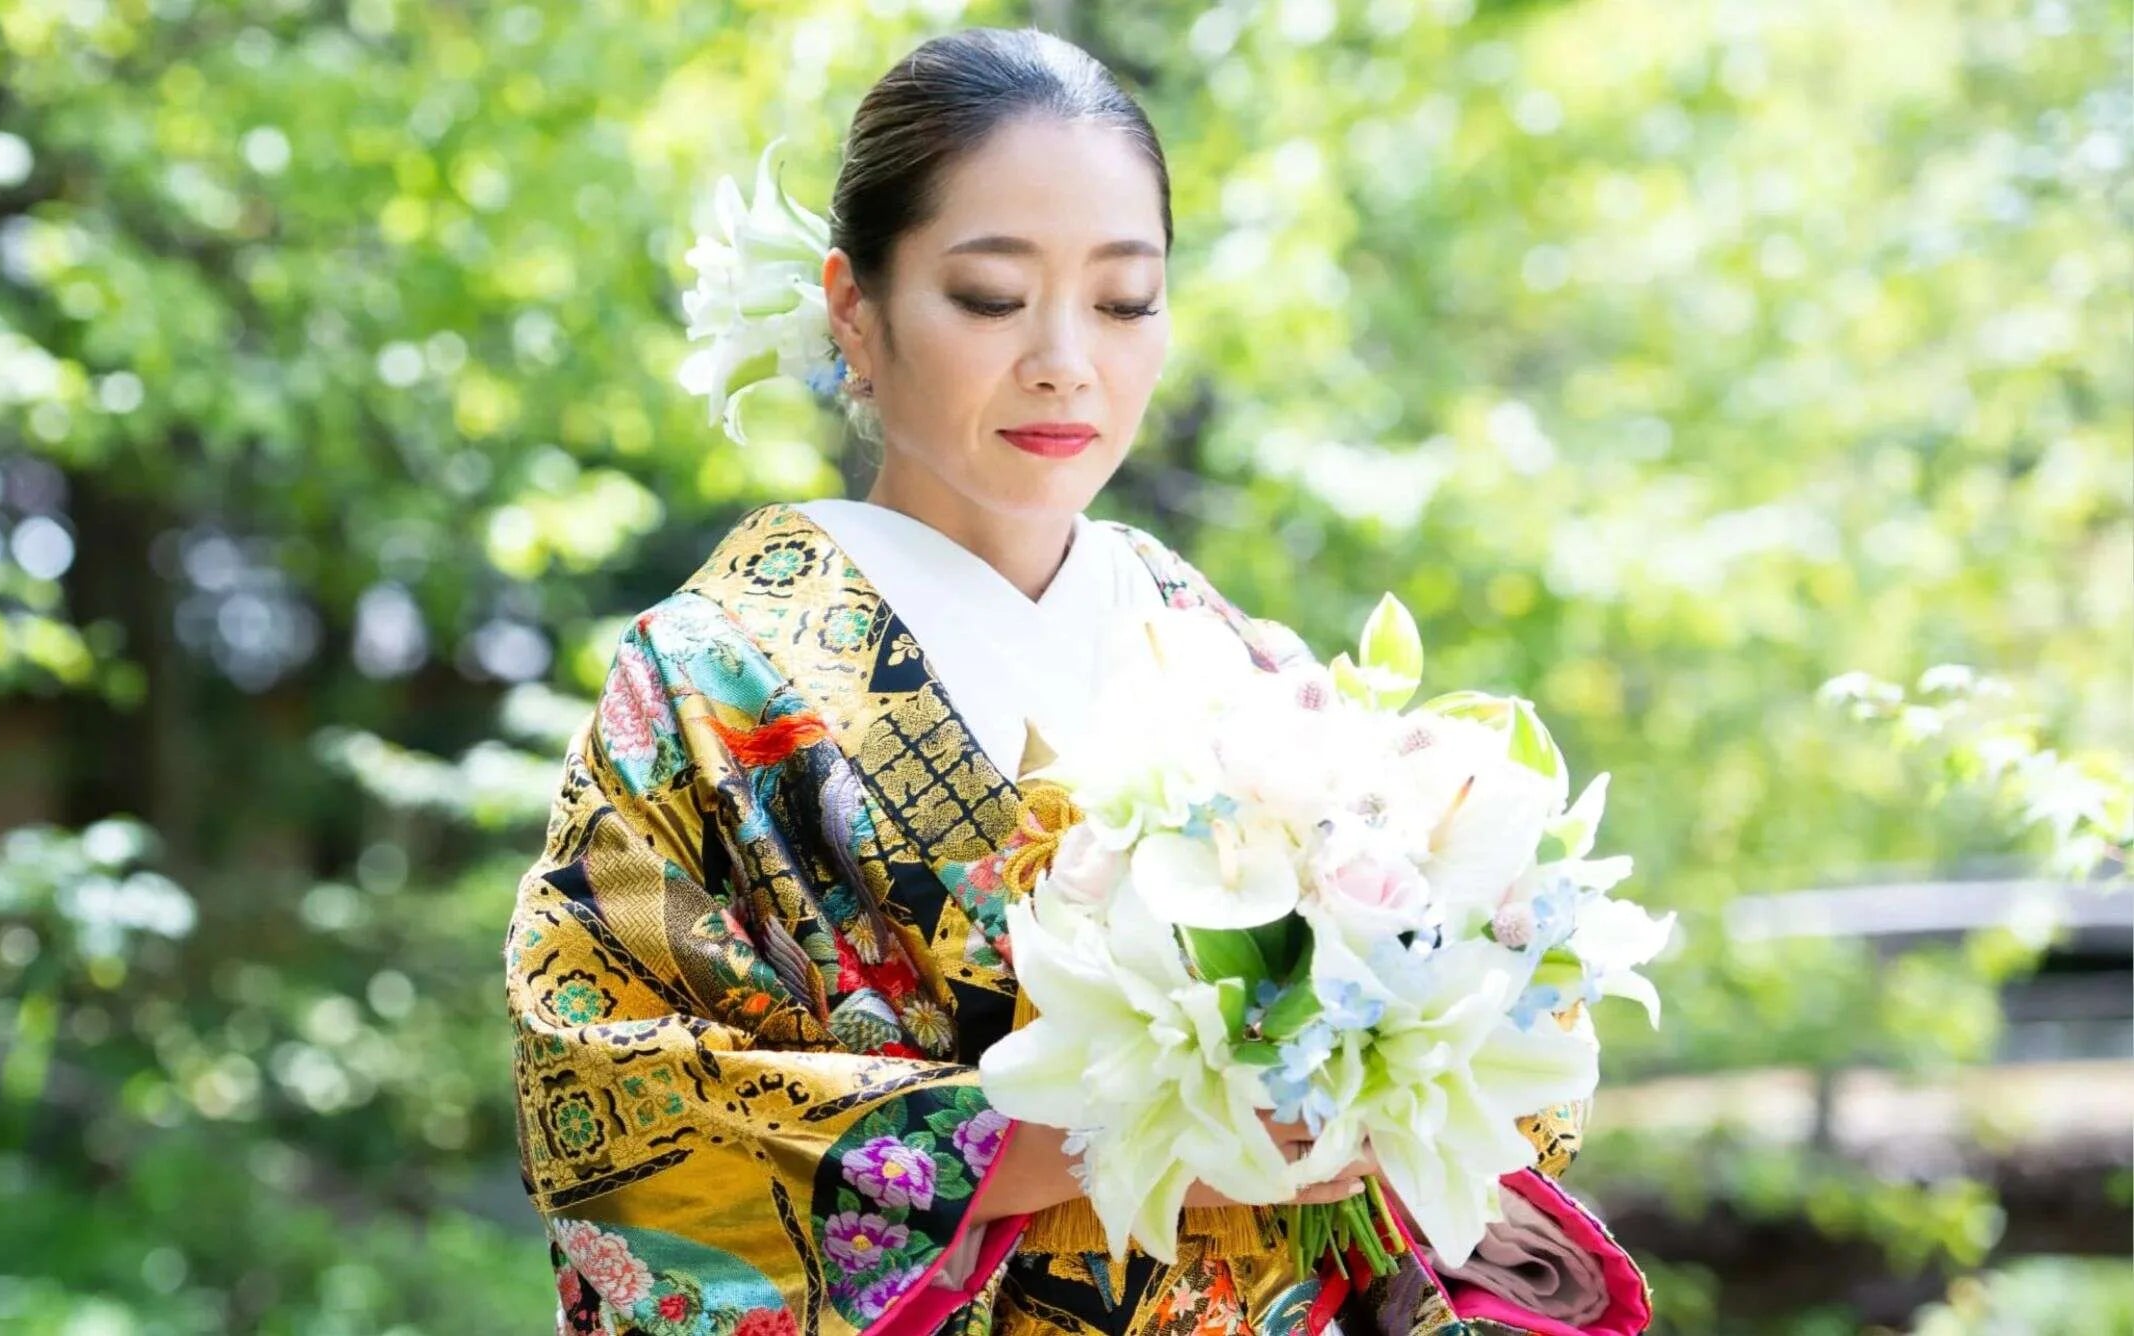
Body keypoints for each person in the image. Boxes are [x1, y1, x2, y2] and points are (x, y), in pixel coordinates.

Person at [506, 27, 1627, 1335]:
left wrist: (1391, 1082)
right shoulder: (711, 683)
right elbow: (612, 1117)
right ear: (851, 308)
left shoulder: (1234, 660)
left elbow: (1478, 1104)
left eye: (1122, 299)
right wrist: (1109, 1134)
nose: (1064, 360)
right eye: (988, 297)